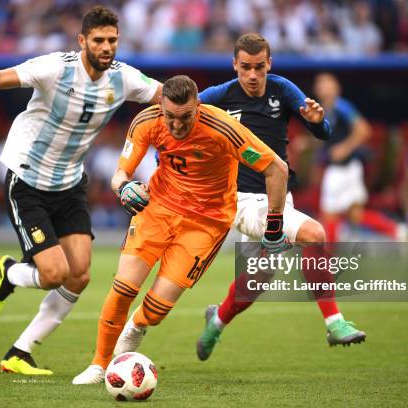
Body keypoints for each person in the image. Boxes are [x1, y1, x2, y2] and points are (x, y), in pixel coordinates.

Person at [0, 6, 162, 376]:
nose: (107, 47)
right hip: (28, 181)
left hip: (71, 183)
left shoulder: (125, 79)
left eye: (112, 40)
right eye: (99, 40)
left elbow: (171, 97)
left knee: (80, 275)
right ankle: (10, 273)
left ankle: (20, 352)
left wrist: (224, 108)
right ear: (82, 41)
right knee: (55, 272)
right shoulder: (56, 68)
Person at [72, 75, 290, 384]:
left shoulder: (223, 128)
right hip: (157, 209)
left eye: (185, 117)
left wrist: (274, 227)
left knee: (157, 310)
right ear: (160, 106)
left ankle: (135, 326)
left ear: (198, 106)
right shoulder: (146, 121)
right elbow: (121, 172)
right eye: (170, 117)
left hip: (206, 223)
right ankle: (98, 365)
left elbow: (276, 168)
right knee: (124, 287)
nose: (177, 125)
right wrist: (123, 187)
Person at [195, 34, 366, 362]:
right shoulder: (218, 96)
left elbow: (323, 130)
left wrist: (318, 123)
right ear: (235, 65)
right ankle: (335, 322)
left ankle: (216, 319)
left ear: (269, 63)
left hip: (277, 198)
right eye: (245, 68)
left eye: (259, 67)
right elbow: (179, 113)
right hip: (241, 200)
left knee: (261, 275)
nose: (253, 75)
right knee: (314, 233)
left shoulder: (282, 89)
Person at [314, 72, 408, 243]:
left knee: (329, 215)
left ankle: (327, 256)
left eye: (328, 84)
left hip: (345, 168)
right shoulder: (323, 110)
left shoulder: (343, 107)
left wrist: (345, 147)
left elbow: (364, 130)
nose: (324, 88)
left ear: (337, 88)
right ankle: (395, 230)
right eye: (321, 85)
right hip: (339, 168)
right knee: (355, 215)